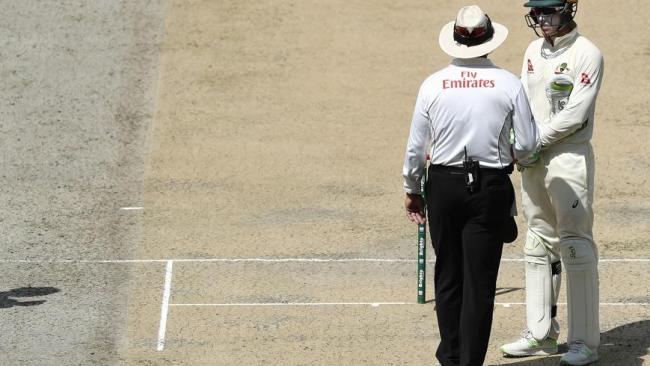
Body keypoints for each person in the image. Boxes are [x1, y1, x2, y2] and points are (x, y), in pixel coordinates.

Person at [402, 5, 538, 366]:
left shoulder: (432, 84)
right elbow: (526, 143)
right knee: (480, 284)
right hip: (489, 186)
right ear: (489, 41)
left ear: (455, 40)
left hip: (443, 185)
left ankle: (450, 357)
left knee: (448, 275)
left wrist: (413, 188)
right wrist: (508, 154)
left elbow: (416, 148)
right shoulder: (508, 82)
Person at [500, 1, 604, 365]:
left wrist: (534, 141)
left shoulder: (587, 53)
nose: (542, 20)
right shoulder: (532, 51)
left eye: (549, 12)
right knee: (538, 241)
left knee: (575, 243)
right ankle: (541, 333)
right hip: (533, 158)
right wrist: (517, 142)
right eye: (537, 13)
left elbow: (576, 114)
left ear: (567, 9)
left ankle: (584, 342)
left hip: (568, 157)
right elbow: (521, 101)